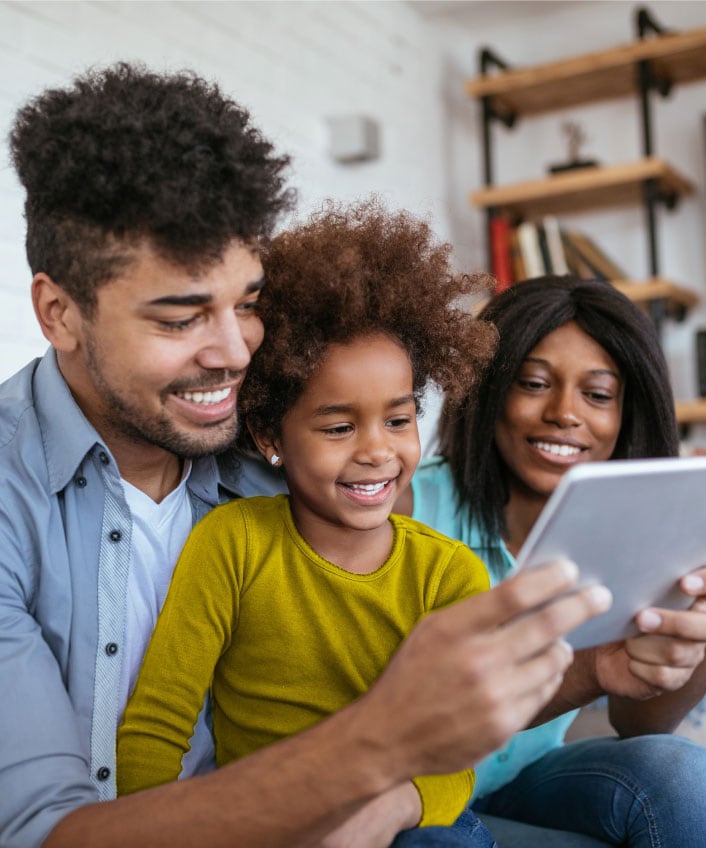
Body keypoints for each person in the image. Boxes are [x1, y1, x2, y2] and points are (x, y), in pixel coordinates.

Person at [0, 64, 613, 848]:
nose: (233, 352)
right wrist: (375, 748)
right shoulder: (20, 499)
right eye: (181, 318)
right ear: (59, 313)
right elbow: (43, 836)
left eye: (248, 303)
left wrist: (600, 666)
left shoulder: (277, 462)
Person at [117, 200, 501, 846]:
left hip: (403, 821)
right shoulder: (233, 542)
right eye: (339, 426)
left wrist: (388, 813)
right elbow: (156, 726)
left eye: (400, 420)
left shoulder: (450, 572)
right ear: (270, 433)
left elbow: (459, 756)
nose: (378, 450)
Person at [401, 274, 706, 847]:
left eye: (597, 394)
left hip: (520, 779)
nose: (565, 414)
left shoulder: (638, 527)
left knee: (684, 776)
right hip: (409, 786)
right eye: (534, 383)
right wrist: (588, 670)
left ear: (627, 413)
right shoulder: (407, 506)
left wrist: (697, 637)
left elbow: (637, 723)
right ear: (489, 392)